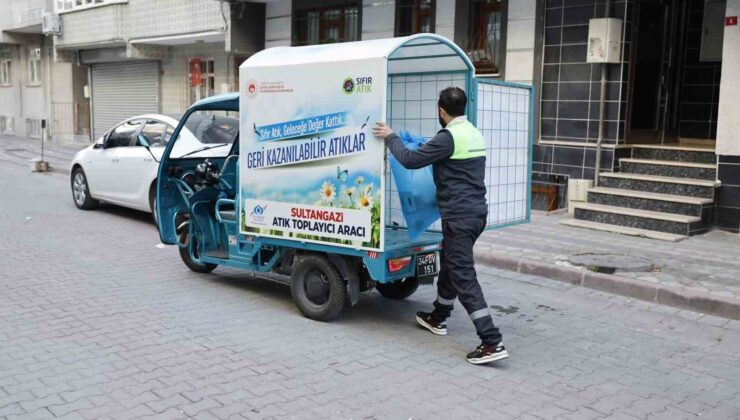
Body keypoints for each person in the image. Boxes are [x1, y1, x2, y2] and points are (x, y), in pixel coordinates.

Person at [372, 87, 508, 365]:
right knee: (450, 261)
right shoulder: (472, 132)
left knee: (463, 275)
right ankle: (438, 317)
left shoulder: (448, 138)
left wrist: (391, 137)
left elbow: (410, 161)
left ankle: (491, 341)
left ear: (441, 111)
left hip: (459, 217)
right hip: (476, 214)